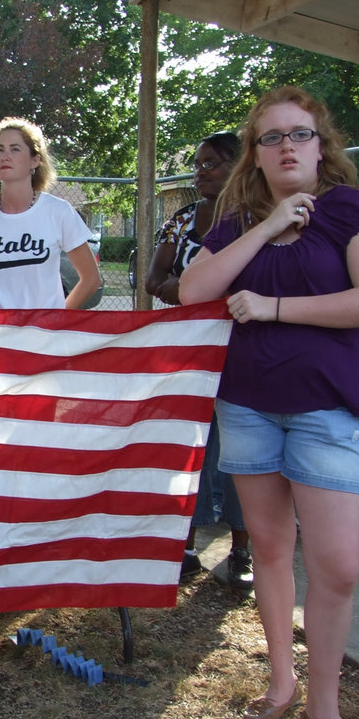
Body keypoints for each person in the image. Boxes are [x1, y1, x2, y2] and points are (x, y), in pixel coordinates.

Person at [180, 86, 359, 719]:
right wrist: (269, 225)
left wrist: (273, 307)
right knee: (270, 551)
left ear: (321, 143)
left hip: (328, 410)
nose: (285, 147)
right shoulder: (240, 217)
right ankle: (282, 683)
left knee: (335, 567)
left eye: (298, 134)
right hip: (247, 404)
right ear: (256, 153)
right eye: (270, 137)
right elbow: (195, 290)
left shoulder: (349, 211)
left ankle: (323, 711)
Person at [144, 132, 251, 588]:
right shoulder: (181, 220)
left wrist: (192, 291)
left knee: (240, 448)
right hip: (187, 348)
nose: (200, 171)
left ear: (238, 165)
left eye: (211, 163)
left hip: (244, 349)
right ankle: (182, 544)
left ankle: (242, 550)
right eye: (197, 163)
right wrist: (197, 293)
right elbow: (154, 279)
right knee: (187, 443)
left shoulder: (255, 221)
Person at [0, 117, 101, 309]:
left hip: (44, 335)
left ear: (35, 160)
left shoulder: (59, 212)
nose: (5, 156)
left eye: (15, 149)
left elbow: (91, 279)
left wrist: (56, 318)